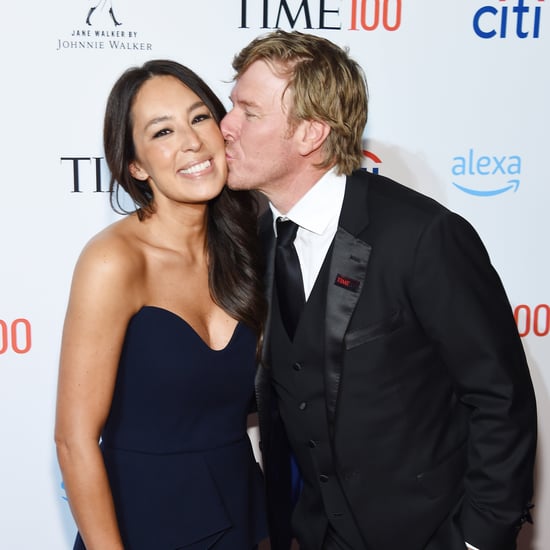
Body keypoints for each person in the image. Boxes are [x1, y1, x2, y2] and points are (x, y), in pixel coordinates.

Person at [221, 30, 537, 550]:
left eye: (248, 112)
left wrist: (476, 540)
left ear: (311, 134)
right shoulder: (260, 239)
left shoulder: (422, 237)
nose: (225, 126)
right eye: (232, 105)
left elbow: (501, 399)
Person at [54, 59, 267, 550]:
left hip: (245, 517)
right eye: (162, 131)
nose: (191, 142)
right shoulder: (114, 261)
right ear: (135, 165)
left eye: (199, 118)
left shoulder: (250, 246)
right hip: (144, 526)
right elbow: (74, 439)